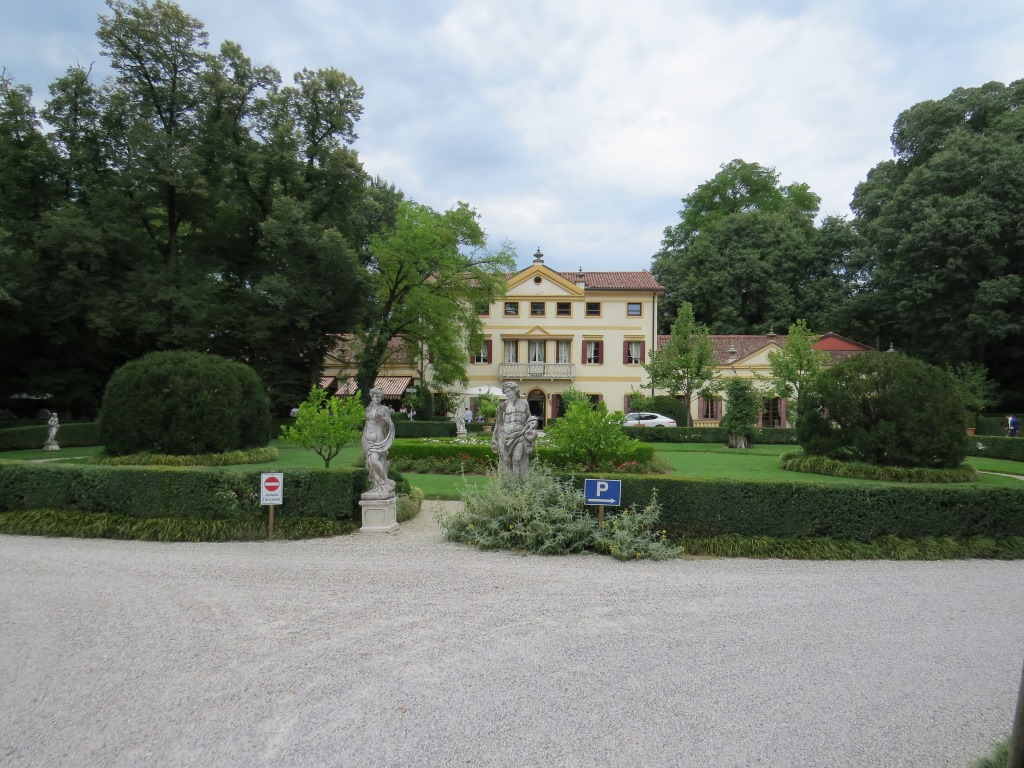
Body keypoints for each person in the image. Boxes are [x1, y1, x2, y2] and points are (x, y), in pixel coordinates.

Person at [491, 381, 538, 477]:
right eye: (506, 392)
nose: (508, 394)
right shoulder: (502, 405)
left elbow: (528, 418)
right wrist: (494, 438)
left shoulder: (524, 403)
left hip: (520, 436)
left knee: (516, 459)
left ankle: (517, 484)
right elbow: (499, 423)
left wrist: (533, 423)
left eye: (509, 391)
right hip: (506, 436)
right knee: (506, 461)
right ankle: (507, 484)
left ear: (515, 390)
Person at [362, 388, 396, 497]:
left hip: (379, 438)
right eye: (376, 396)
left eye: (380, 397)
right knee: (370, 463)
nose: (378, 399)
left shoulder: (385, 409)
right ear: (372, 396)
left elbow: (390, 424)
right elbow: (366, 425)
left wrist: (384, 420)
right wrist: (364, 438)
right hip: (368, 438)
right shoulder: (367, 409)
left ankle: (384, 481)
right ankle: (377, 485)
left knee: (375, 460)